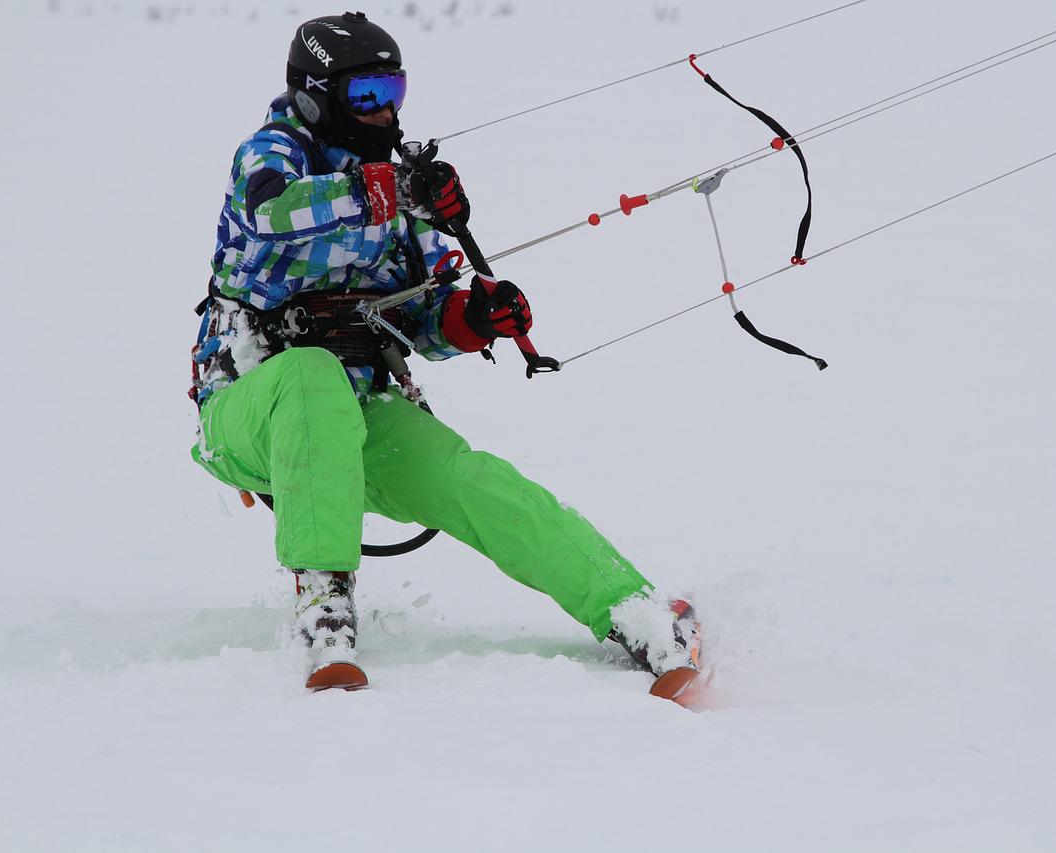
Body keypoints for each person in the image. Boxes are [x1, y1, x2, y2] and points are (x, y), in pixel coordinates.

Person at [188, 11, 698, 692]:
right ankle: (325, 612)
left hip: (356, 414)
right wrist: (389, 191)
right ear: (316, 93)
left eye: (393, 92)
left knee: (472, 480)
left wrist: (475, 317)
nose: (383, 112)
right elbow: (270, 209)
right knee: (309, 376)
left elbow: (426, 317)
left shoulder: (397, 188)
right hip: (245, 412)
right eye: (365, 95)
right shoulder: (275, 153)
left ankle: (639, 614)